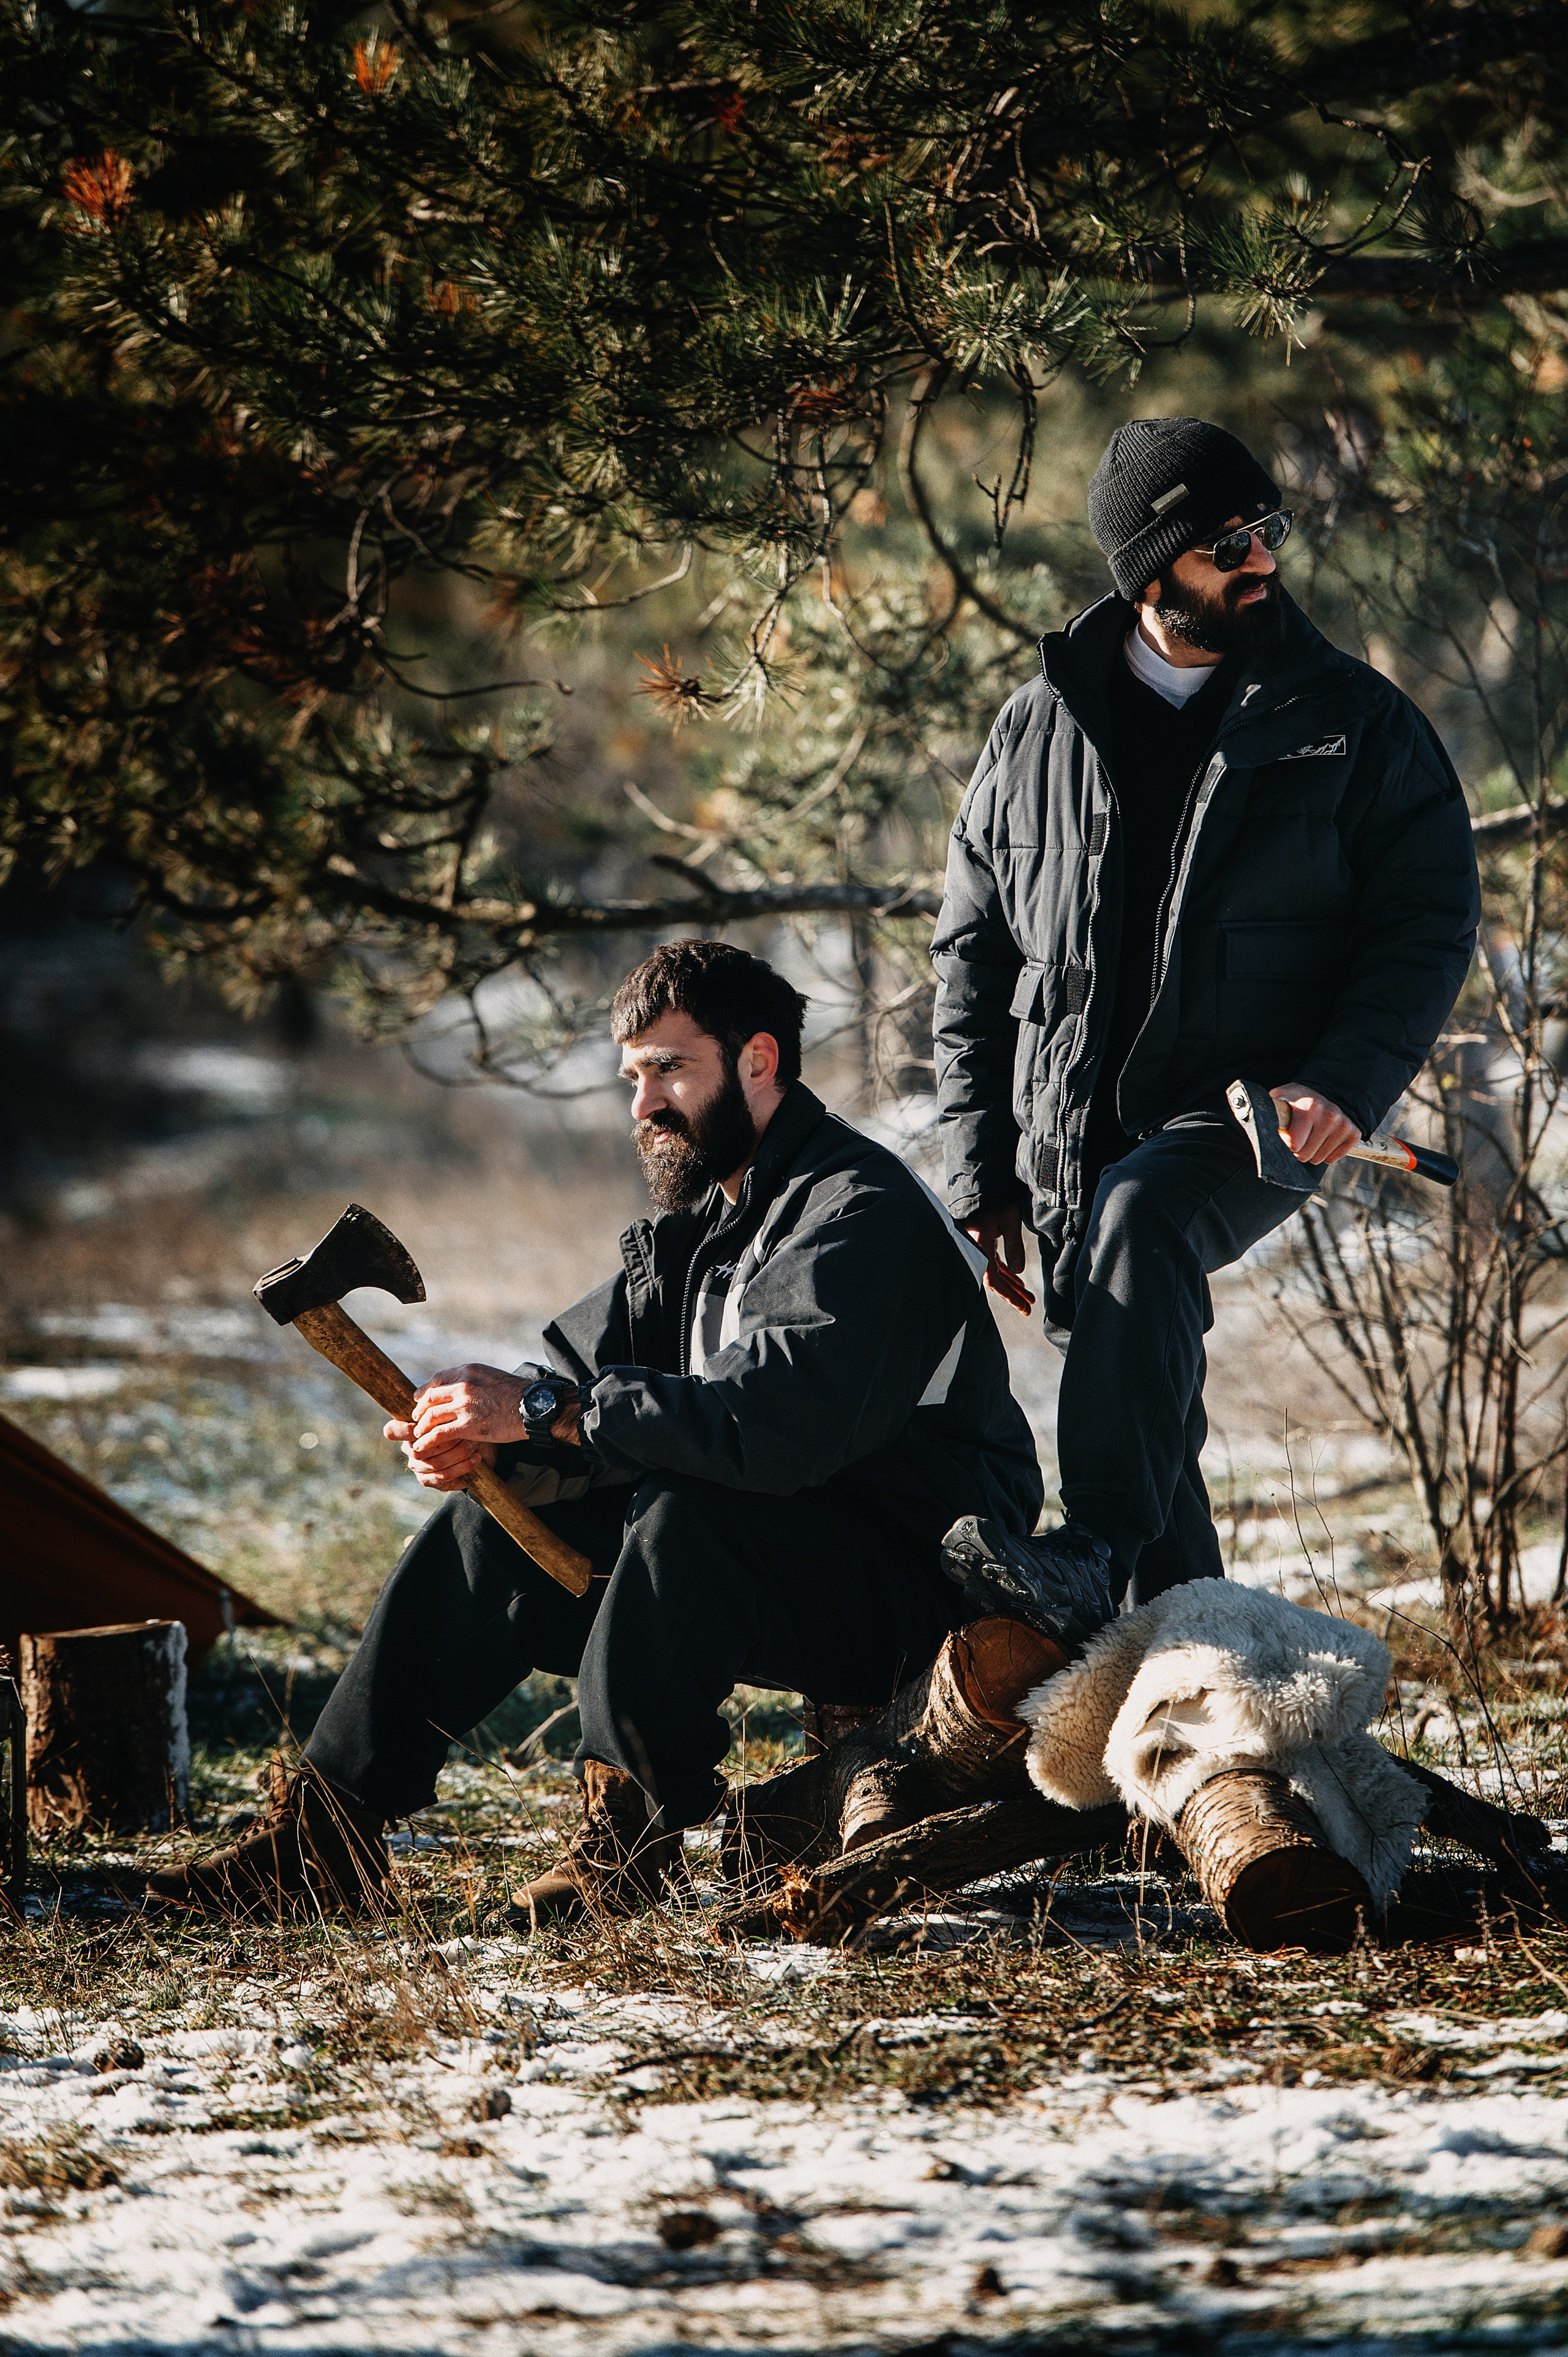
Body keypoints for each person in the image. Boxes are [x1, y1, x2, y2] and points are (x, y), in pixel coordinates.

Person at [148, 940, 1047, 1921]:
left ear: (758, 1061)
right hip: (777, 1556)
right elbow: (580, 1389)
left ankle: (621, 1845)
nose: (644, 1105)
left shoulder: (857, 1211)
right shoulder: (711, 1222)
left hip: (921, 1583)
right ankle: (325, 1841)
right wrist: (494, 1443)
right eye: (633, 1076)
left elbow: (774, 1429)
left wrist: (548, 1412)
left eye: (670, 1068)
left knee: (686, 1510)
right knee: (489, 1531)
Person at [930, 415, 1479, 1616]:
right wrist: (979, 1170)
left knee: (1143, 1228)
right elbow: (970, 955)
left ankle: (1094, 1547)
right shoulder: (1036, 726)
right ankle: (1206, 1688)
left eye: (1264, 529)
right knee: (1141, 1392)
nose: (1260, 559)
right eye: (1225, 541)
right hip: (1072, 1136)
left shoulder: (1346, 719)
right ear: (1147, 570)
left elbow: (1428, 917)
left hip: (1251, 1117)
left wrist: (1343, 1079)